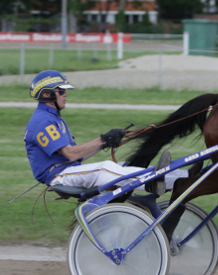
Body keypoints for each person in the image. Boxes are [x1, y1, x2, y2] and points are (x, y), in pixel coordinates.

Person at [24, 70, 183, 196]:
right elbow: (72, 154)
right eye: (61, 90)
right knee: (106, 168)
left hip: (67, 172)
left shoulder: (52, 118)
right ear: (46, 94)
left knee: (120, 167)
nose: (65, 94)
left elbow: (78, 156)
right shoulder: (42, 121)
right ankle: (160, 181)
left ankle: (183, 176)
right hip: (59, 177)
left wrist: (106, 143)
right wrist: (102, 140)